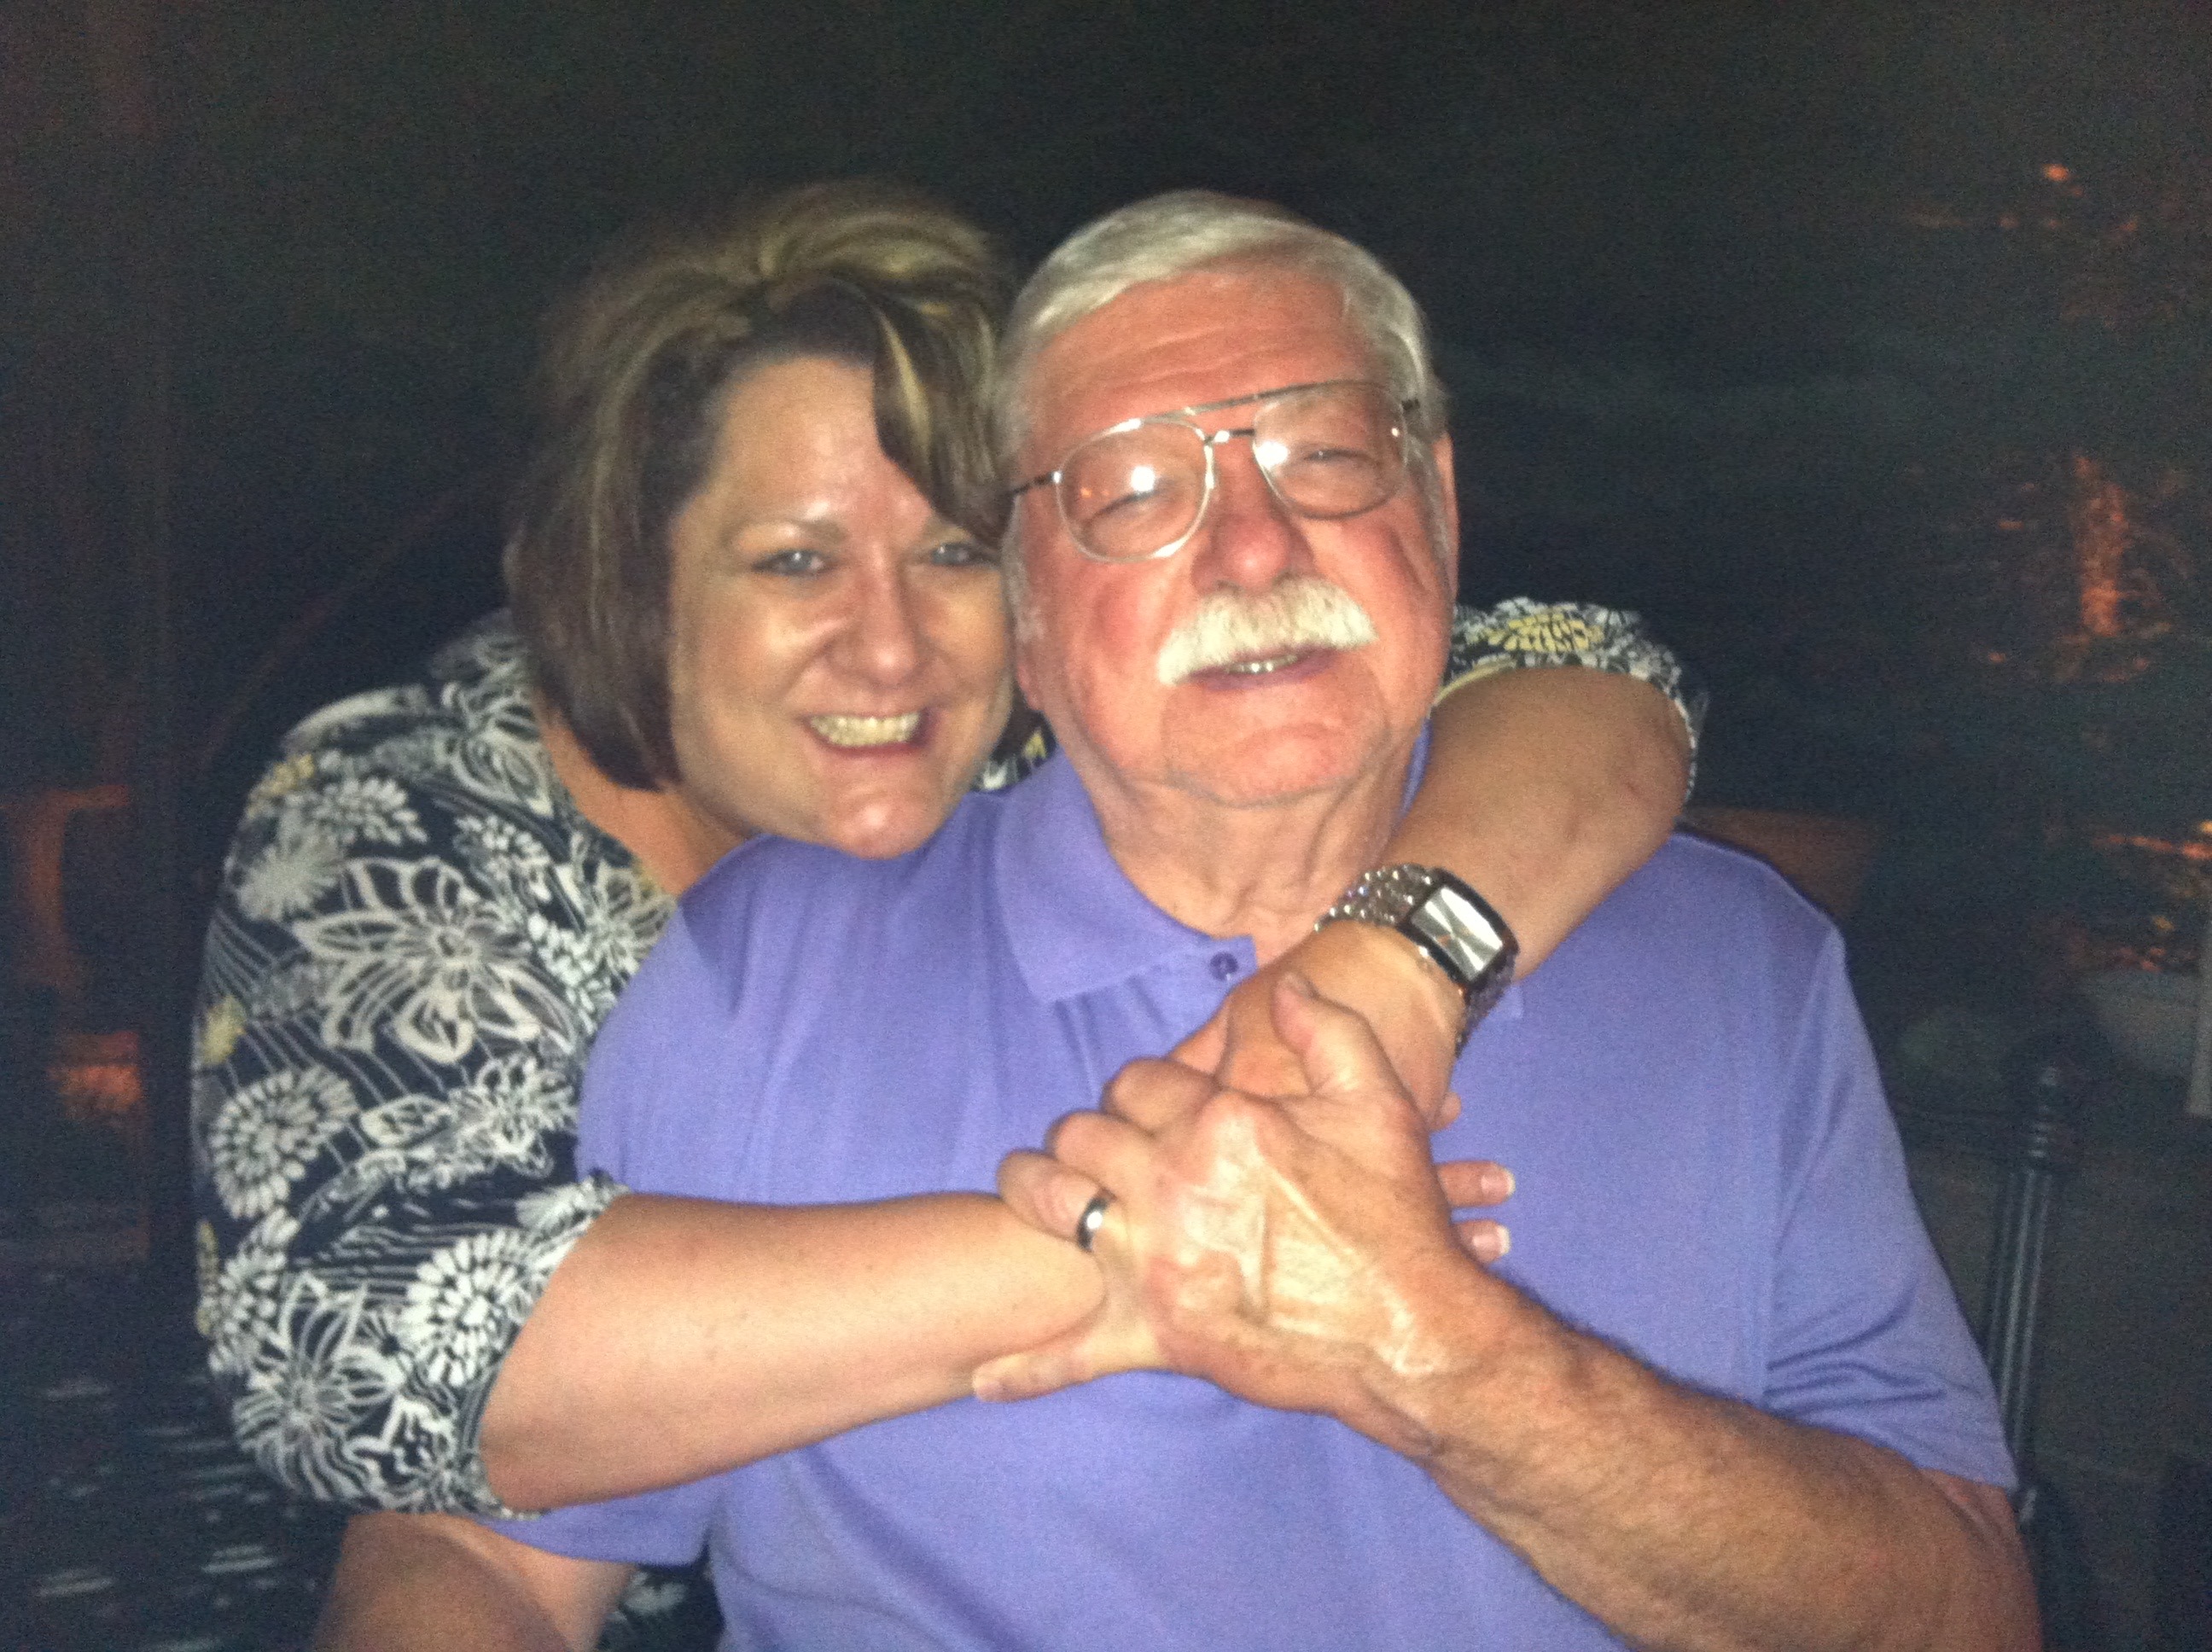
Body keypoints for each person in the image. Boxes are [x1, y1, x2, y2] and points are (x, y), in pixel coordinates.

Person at [317, 190, 2039, 1652]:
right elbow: (477, 1557)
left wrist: (1443, 1359)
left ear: (1439, 509)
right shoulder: (761, 972)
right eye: (1134, 489)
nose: (1254, 546)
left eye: (1324, 454)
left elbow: (1964, 1607)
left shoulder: (1739, 964)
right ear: (1025, 608)